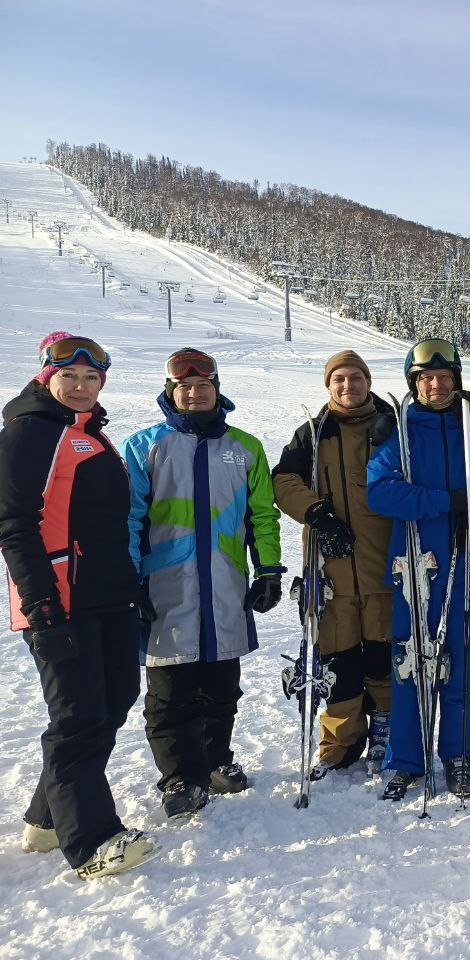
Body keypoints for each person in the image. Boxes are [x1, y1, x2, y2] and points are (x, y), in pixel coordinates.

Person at [0, 333, 156, 880]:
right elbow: (13, 524)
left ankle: (47, 819)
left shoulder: (89, 434)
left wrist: (132, 592)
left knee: (114, 700)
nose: (83, 386)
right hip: (60, 602)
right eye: (71, 377)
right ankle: (91, 842)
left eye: (92, 378)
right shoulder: (32, 431)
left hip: (108, 598)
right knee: (78, 718)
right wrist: (40, 600)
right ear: (48, 376)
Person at [124, 348, 284, 819]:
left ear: (217, 388)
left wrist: (269, 571)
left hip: (224, 586)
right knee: (170, 689)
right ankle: (180, 776)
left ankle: (216, 760)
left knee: (221, 685)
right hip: (164, 587)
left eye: (203, 386)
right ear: (171, 391)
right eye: (184, 387)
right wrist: (129, 580)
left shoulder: (244, 447)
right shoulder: (145, 446)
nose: (194, 394)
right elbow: (129, 519)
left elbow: (262, 517)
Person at [272, 351, 396, 779]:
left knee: (384, 656)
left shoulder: (393, 424)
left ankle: (386, 730)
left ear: (368, 380)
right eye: (339, 379)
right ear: (329, 386)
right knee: (338, 661)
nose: (348, 386)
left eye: (356, 378)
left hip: (384, 566)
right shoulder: (313, 432)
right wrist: (317, 514)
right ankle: (339, 743)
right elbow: (283, 481)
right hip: (332, 572)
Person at [367, 338, 470, 801]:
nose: (435, 385)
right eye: (426, 378)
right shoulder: (400, 430)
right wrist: (442, 503)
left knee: (459, 658)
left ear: (455, 380)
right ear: (414, 383)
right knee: (411, 659)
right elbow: (380, 491)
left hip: (467, 557)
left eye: (444, 377)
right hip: (415, 560)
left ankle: (458, 754)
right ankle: (408, 759)